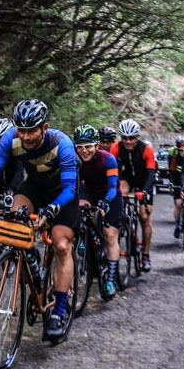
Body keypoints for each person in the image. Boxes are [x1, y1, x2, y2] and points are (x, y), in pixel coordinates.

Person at [0, 99, 78, 337]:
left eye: (32, 131)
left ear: (45, 127)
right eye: (22, 130)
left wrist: (52, 209)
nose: (26, 136)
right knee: (11, 220)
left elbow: (70, 189)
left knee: (61, 245)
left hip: (62, 192)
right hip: (34, 187)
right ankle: (31, 259)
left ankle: (58, 311)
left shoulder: (63, 144)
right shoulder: (11, 139)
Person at [72, 124, 121, 297]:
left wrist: (106, 202)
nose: (84, 150)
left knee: (110, 235)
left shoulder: (108, 159)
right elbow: (73, 185)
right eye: (80, 146)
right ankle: (86, 236)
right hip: (90, 191)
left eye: (88, 146)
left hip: (110, 194)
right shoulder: (73, 158)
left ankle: (110, 280)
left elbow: (114, 187)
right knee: (81, 208)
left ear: (96, 145)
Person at [113, 118, 156, 272]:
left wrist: (144, 192)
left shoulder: (146, 150)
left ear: (137, 137)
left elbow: (152, 174)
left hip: (145, 181)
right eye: (124, 138)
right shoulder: (116, 147)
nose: (128, 141)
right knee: (120, 192)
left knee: (144, 217)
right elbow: (111, 169)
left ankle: (145, 255)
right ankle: (125, 221)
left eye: (131, 138)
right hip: (128, 178)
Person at [170, 135, 184, 238]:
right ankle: (177, 225)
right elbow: (172, 173)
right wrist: (171, 183)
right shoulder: (175, 159)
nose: (183, 152)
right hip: (178, 183)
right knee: (178, 204)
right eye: (181, 150)